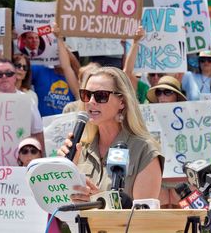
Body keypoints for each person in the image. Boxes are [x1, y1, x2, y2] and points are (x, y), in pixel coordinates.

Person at [58, 67, 164, 202]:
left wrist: (99, 202)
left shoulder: (145, 150)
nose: (91, 101)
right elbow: (62, 206)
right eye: (86, 94)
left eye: (101, 95)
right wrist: (65, 170)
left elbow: (141, 218)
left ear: (122, 102)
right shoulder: (79, 149)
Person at [0, 58, 45, 151]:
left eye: (9, 73)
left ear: (15, 77)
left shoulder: (27, 101)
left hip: (20, 160)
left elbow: (37, 133)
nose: (4, 77)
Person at [146, 75, 186, 208]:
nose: (162, 96)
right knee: (161, 212)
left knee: (181, 213)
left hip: (180, 174)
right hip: (159, 172)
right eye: (159, 92)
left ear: (177, 96)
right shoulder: (149, 117)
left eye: (167, 92)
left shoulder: (189, 117)